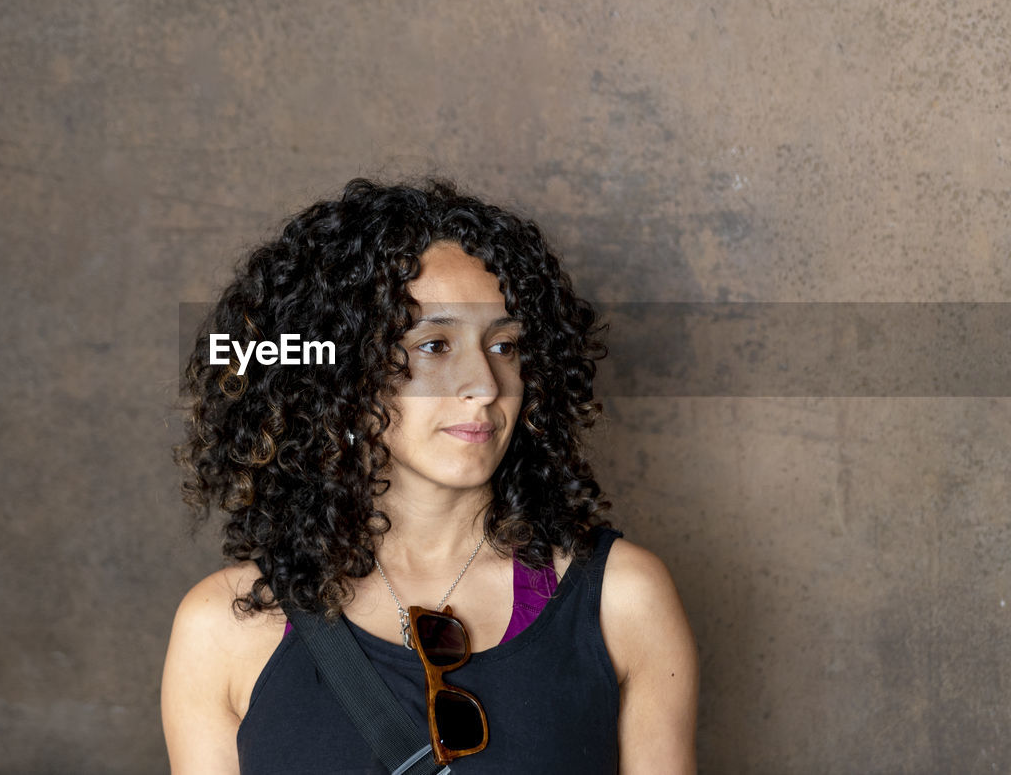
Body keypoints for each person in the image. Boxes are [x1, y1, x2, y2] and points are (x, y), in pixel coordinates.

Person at [162, 178, 697, 774]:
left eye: (505, 346)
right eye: (435, 346)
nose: (485, 385)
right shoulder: (223, 627)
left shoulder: (623, 601)